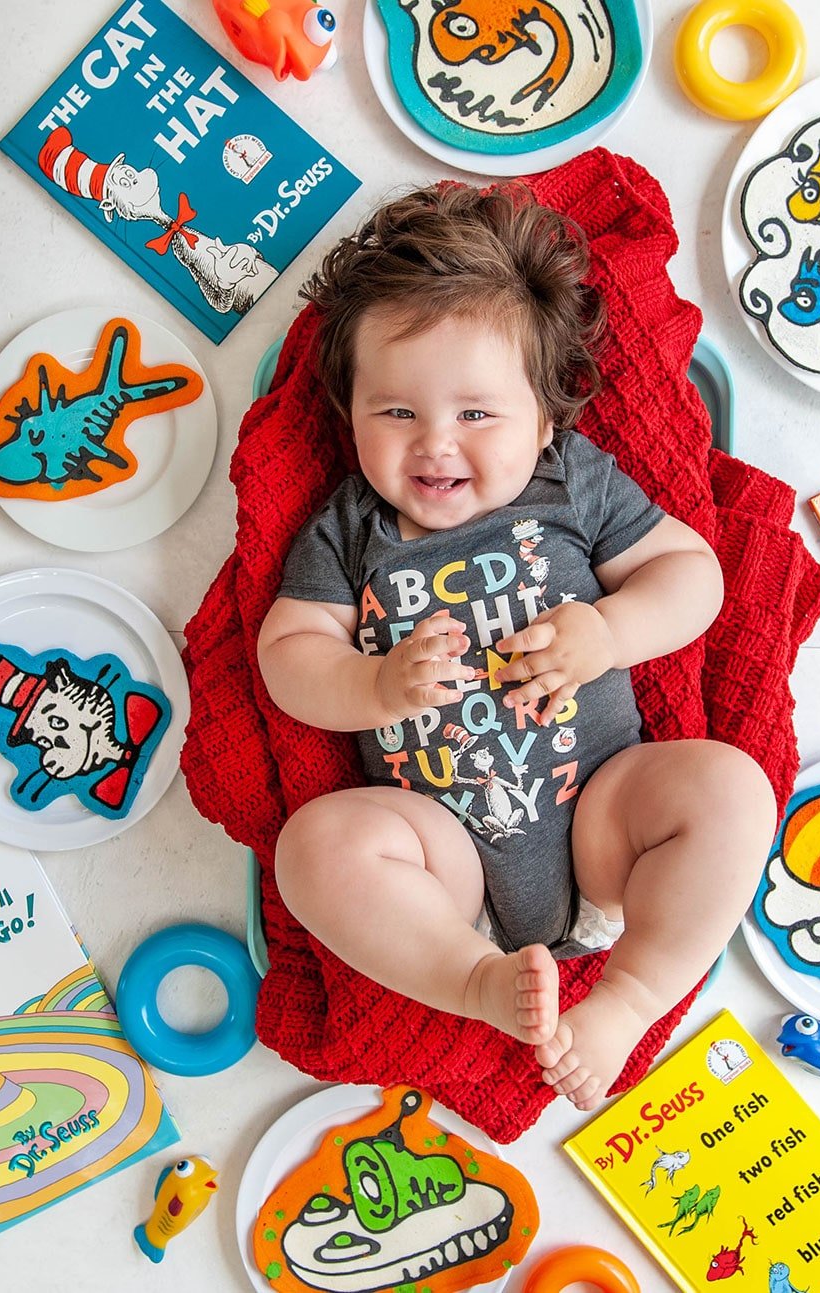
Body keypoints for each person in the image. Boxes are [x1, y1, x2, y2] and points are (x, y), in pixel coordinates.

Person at [257, 182, 777, 1110]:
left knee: (733, 789)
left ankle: (627, 999)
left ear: (544, 418)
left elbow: (692, 575)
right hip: (444, 860)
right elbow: (290, 652)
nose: (435, 445)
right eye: (397, 413)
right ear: (350, 414)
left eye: (476, 413)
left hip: (607, 821)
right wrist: (373, 686)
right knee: (314, 848)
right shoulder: (349, 531)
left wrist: (612, 628)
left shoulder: (569, 484)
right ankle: (473, 981)